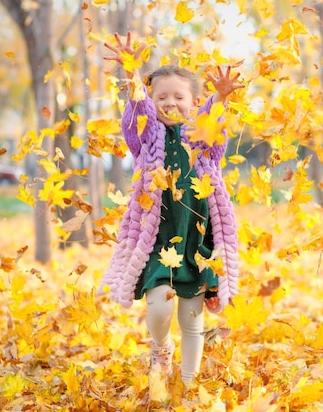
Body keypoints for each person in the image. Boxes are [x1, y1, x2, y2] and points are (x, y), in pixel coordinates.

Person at [100, 32, 242, 383]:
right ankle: (160, 346)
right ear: (152, 101)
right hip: (157, 242)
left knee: (192, 320)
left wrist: (221, 97)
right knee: (160, 307)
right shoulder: (147, 141)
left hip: (196, 242)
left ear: (194, 102)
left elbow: (216, 123)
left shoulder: (203, 139)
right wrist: (134, 78)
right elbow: (135, 118)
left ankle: (190, 385)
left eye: (179, 97)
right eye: (161, 96)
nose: (170, 102)